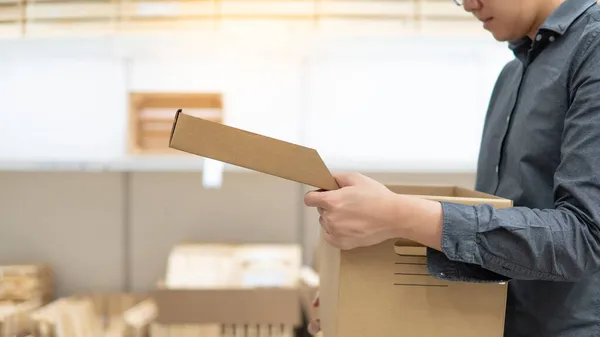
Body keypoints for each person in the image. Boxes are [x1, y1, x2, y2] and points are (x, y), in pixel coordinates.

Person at [303, 0, 600, 336]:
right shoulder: (512, 75)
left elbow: (585, 239)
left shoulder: (593, 48)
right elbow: (497, 243)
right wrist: (359, 290)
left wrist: (398, 214)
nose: (469, 5)